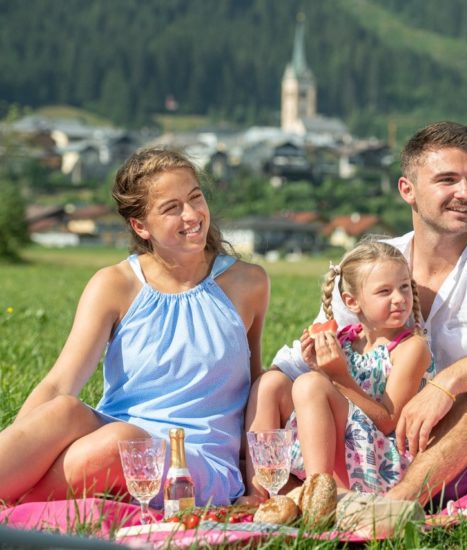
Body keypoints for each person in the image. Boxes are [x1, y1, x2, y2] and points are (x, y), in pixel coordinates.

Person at [245, 121, 467, 505]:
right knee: (278, 383)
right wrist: (315, 353)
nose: (465, 193)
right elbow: (302, 362)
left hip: (459, 444)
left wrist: (448, 383)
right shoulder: (375, 263)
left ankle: (396, 504)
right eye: (448, 180)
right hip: (373, 441)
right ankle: (278, 496)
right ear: (407, 190)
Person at [0, 147, 270, 507]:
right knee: (66, 410)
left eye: (195, 197)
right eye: (172, 208)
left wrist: (256, 484)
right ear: (140, 226)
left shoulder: (248, 283)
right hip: (114, 436)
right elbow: (58, 384)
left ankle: (16, 506)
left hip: (195, 461)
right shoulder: (114, 284)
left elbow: (256, 391)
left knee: (120, 445)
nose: (192, 214)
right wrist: (24, 445)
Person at [285, 240, 433, 494]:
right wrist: (319, 368)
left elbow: (388, 422)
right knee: (272, 384)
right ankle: (265, 489)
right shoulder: (345, 340)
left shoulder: (411, 349)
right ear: (352, 302)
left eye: (404, 287)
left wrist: (337, 376)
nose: (399, 298)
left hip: (379, 463)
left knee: (309, 385)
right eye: (385, 291)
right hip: (346, 454)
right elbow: (333, 399)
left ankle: (319, 496)